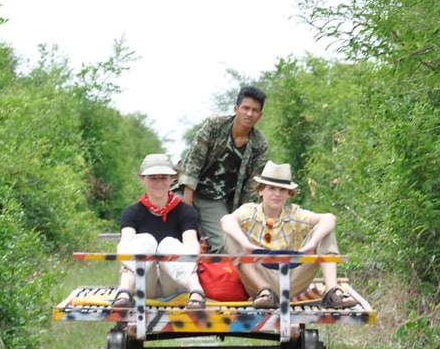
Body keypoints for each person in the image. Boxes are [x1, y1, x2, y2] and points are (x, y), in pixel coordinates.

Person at [220, 161, 357, 310]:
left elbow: (329, 218)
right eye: (271, 188)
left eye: (282, 190)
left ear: (288, 194)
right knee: (231, 235)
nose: (277, 194)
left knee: (325, 231)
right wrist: (246, 244)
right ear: (260, 191)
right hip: (259, 276)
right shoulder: (249, 211)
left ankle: (332, 291)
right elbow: (226, 220)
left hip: (292, 276)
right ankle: (265, 291)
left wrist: (312, 244)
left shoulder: (293, 213)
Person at [175, 85, 269, 253]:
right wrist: (187, 206)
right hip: (186, 190)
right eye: (245, 108)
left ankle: (216, 278)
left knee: (225, 243)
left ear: (260, 116)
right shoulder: (215, 125)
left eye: (254, 110)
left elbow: (252, 188)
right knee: (172, 230)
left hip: (215, 199)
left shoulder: (259, 145)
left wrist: (242, 219)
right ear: (236, 108)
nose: (249, 114)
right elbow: (194, 160)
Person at [112, 153, 206, 309]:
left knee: (168, 244)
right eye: (152, 178)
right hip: (142, 281)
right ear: (143, 179)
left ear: (171, 179)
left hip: (174, 280)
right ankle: (124, 291)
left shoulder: (186, 212)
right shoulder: (131, 213)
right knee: (145, 240)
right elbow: (125, 244)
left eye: (163, 177)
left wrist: (190, 262)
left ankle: (196, 291)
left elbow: (191, 244)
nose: (158, 183)